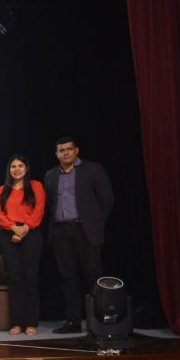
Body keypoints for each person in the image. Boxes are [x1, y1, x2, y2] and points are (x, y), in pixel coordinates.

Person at [44, 137, 113, 334]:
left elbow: (107, 199)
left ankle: (98, 321)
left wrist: (95, 224)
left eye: (69, 149)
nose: (65, 153)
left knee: (93, 276)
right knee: (68, 277)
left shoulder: (93, 170)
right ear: (56, 154)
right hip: (60, 231)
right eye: (61, 150)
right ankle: (73, 321)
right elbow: (51, 203)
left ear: (76, 151)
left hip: (85, 231)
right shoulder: (50, 175)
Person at [0, 155, 45, 336]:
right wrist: (13, 229)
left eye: (20, 166)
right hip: (8, 236)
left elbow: (39, 210)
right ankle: (16, 322)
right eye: (13, 167)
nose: (16, 169)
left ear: (26, 168)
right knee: (14, 280)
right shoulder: (2, 190)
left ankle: (31, 322)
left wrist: (24, 229)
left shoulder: (36, 186)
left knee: (30, 279)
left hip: (31, 235)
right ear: (9, 170)